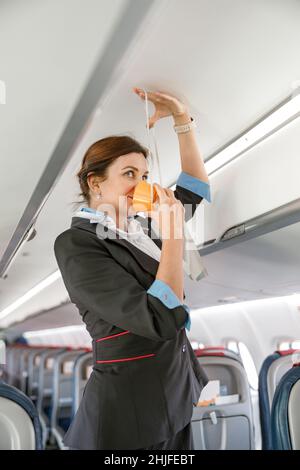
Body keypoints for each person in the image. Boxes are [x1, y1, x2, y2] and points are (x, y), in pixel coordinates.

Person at [54, 89, 211, 450]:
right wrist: (173, 234)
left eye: (144, 174)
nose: (142, 185)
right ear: (95, 182)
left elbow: (193, 190)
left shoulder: (140, 230)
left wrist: (181, 118)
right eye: (129, 173)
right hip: (129, 413)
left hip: (177, 395)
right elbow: (161, 319)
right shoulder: (77, 244)